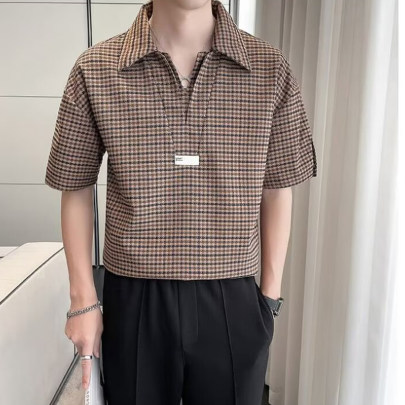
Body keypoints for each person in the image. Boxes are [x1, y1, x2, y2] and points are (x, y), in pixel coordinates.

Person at [45, 0, 317, 404]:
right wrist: (82, 301)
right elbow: (76, 184)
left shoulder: (269, 68)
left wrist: (268, 298)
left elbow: (277, 186)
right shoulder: (96, 68)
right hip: (134, 295)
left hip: (234, 296)